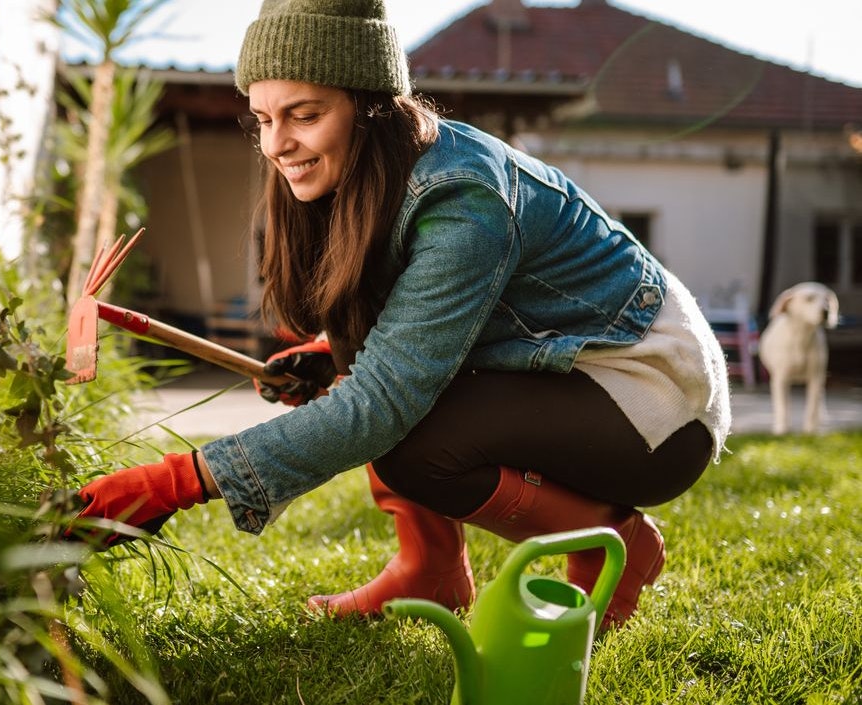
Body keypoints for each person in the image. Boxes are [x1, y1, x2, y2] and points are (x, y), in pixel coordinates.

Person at [69, 0, 731, 630]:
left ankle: (611, 544)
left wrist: (171, 483)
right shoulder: (367, 176)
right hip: (569, 371)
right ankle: (431, 570)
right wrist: (332, 354)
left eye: (302, 115)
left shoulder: (463, 200)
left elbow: (382, 402)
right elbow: (396, 336)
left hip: (654, 399)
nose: (277, 144)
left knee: (409, 440)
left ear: (370, 105)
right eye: (263, 119)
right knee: (367, 365)